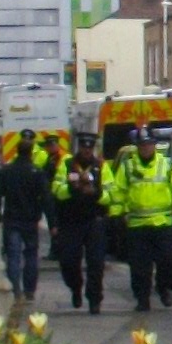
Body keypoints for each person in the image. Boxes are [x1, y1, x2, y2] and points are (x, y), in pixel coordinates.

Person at [113, 125, 172, 311]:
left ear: (154, 145)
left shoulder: (168, 165)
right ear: (137, 147)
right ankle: (142, 299)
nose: (146, 148)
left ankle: (162, 288)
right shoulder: (128, 167)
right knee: (139, 268)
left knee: (168, 262)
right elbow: (118, 192)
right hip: (137, 225)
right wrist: (116, 215)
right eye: (142, 145)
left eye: (149, 144)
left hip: (163, 223)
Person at [52, 132, 114, 315]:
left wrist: (95, 193)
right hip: (71, 221)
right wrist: (73, 188)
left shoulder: (102, 166)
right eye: (84, 147)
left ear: (93, 148)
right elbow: (56, 189)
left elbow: (112, 195)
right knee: (69, 261)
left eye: (90, 148)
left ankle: (94, 300)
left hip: (94, 221)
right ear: (79, 147)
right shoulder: (67, 164)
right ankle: (75, 287)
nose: (87, 151)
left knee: (96, 263)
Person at [0, 139, 51, 303]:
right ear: (30, 153)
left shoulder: (7, 171)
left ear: (17, 151)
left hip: (12, 218)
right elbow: (46, 198)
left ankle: (15, 290)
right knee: (31, 255)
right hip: (30, 219)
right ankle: (29, 290)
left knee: (13, 255)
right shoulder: (36, 172)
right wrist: (52, 221)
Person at [41, 135, 69, 261]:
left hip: (58, 197)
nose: (47, 148)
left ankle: (57, 251)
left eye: (49, 146)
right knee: (53, 224)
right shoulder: (52, 157)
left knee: (56, 225)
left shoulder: (61, 158)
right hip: (52, 195)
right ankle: (56, 250)